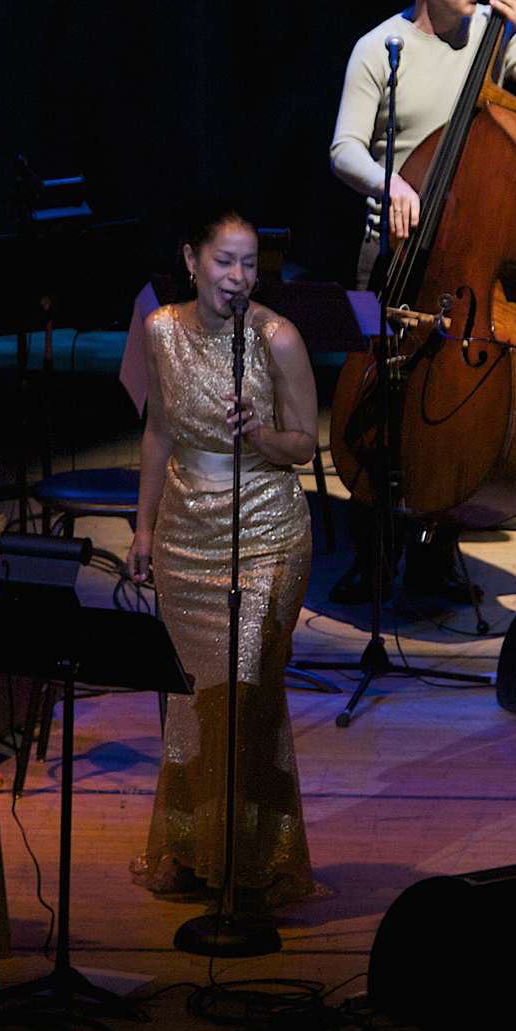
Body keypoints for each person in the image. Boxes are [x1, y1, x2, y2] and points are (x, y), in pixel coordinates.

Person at [327, 0, 516, 602]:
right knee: (383, 398)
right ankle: (372, 549)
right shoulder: (377, 47)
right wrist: (387, 182)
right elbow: (343, 147)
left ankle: (439, 548)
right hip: (391, 253)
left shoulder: (494, 40)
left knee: (456, 399)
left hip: (466, 260)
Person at [127, 202, 326, 909]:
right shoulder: (158, 331)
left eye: (249, 264)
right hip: (186, 539)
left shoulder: (278, 339)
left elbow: (305, 446)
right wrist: (144, 531)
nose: (238, 277)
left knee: (245, 693)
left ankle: (250, 858)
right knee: (193, 703)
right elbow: (158, 434)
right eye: (225, 261)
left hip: (266, 533)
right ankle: (189, 845)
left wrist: (260, 435)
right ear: (191, 259)